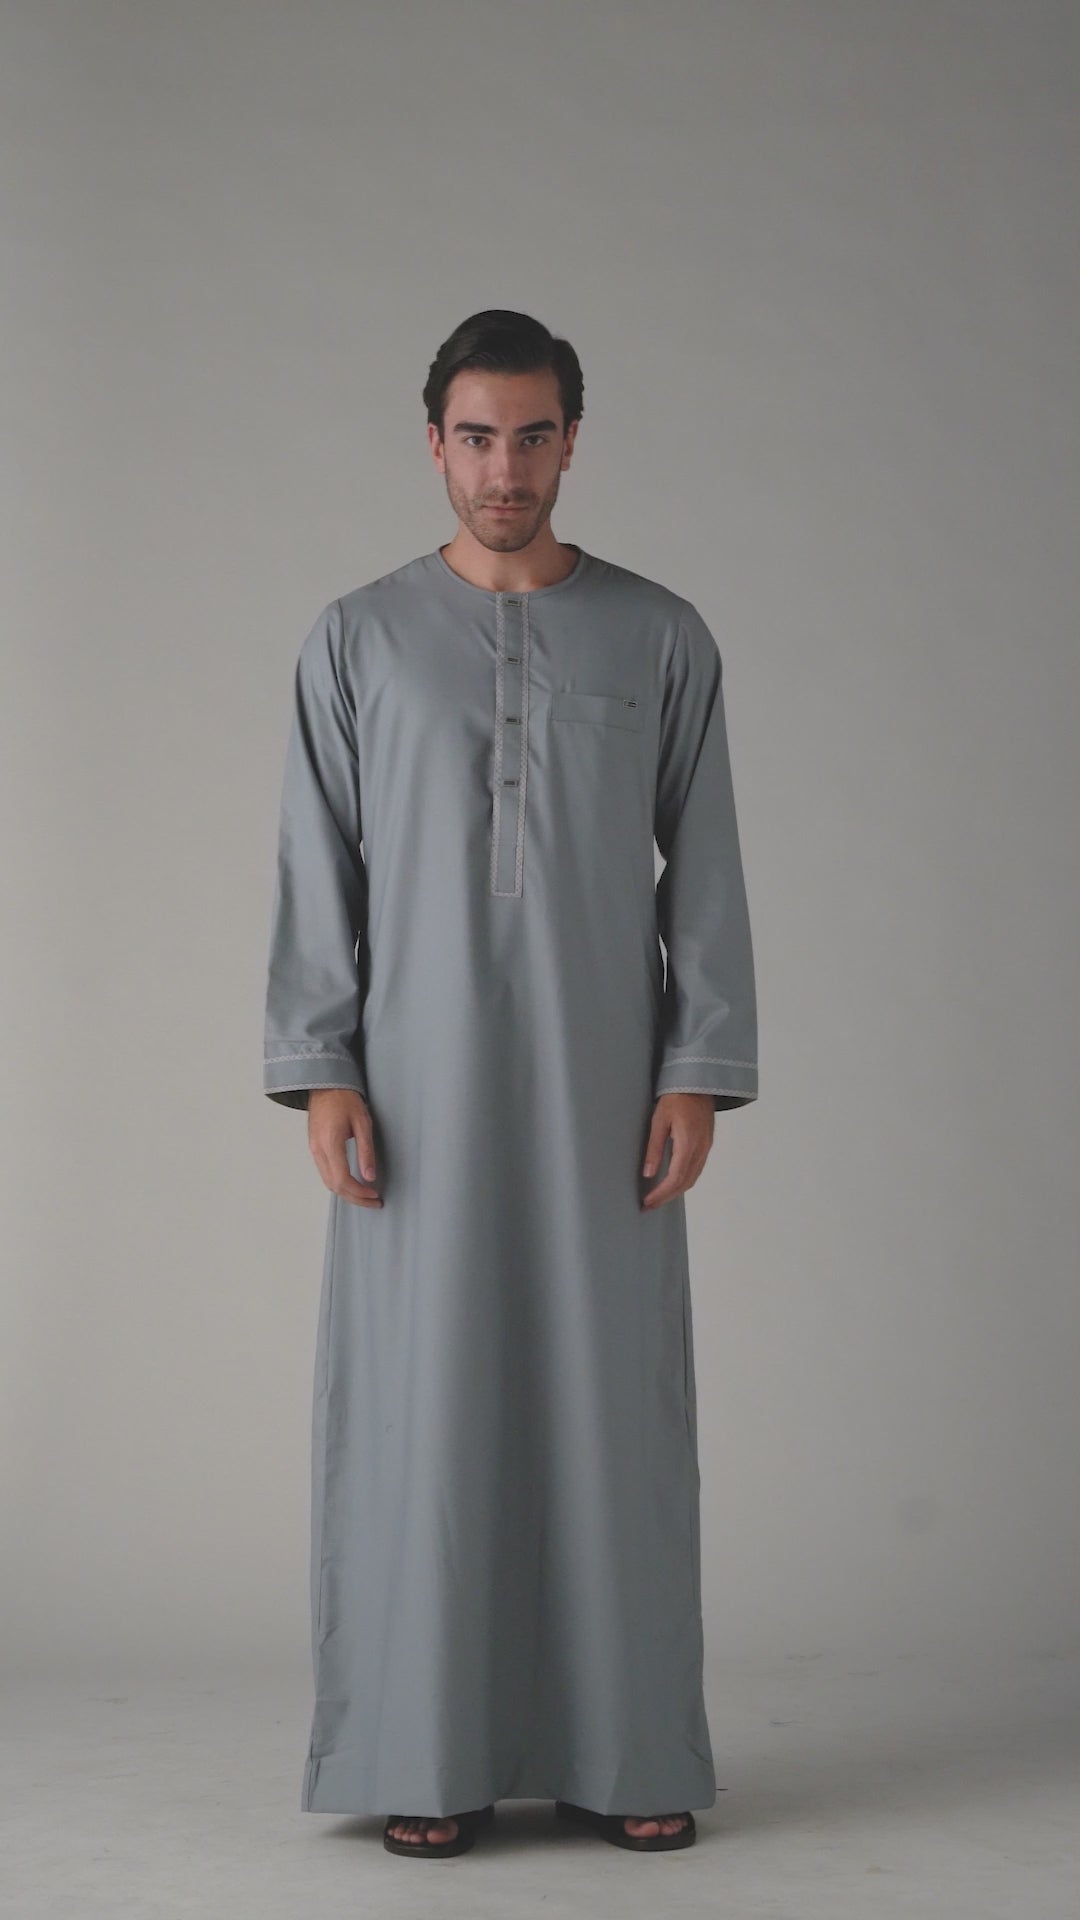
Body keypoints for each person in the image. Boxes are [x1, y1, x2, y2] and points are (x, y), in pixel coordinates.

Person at [262, 308, 758, 1858]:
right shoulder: (355, 638)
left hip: (604, 1089)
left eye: (532, 436)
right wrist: (323, 1066)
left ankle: (630, 1749)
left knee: (613, 1413)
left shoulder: (658, 636)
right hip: (415, 1092)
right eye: (476, 437)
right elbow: (317, 870)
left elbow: (706, 870)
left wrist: (698, 1066)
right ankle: (424, 1753)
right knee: (424, 1412)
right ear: (434, 444)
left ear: (570, 444)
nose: (504, 468)